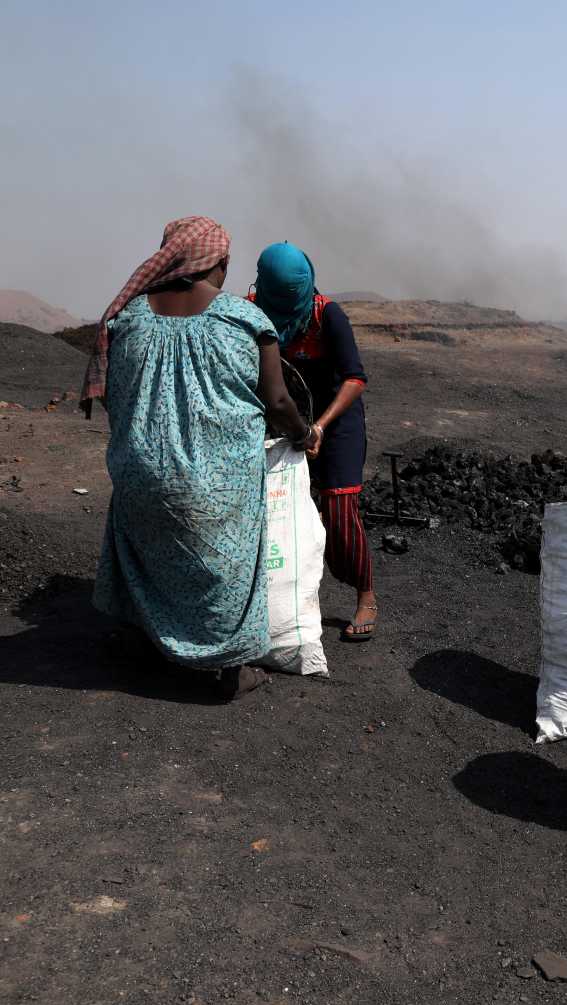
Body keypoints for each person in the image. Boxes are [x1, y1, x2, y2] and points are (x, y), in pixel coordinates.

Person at [82, 217, 318, 700]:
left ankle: (151, 642)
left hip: (138, 473)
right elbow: (276, 403)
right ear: (219, 263)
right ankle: (228, 668)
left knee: (151, 555)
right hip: (216, 482)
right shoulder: (246, 320)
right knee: (225, 568)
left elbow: (119, 398)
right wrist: (303, 433)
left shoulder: (126, 320)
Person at [251, 243, 378, 642]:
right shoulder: (253, 309)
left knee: (339, 508)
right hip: (284, 418)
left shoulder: (328, 315)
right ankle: (287, 595)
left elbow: (355, 378)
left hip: (335, 423)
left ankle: (366, 594)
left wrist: (319, 427)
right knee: (281, 513)